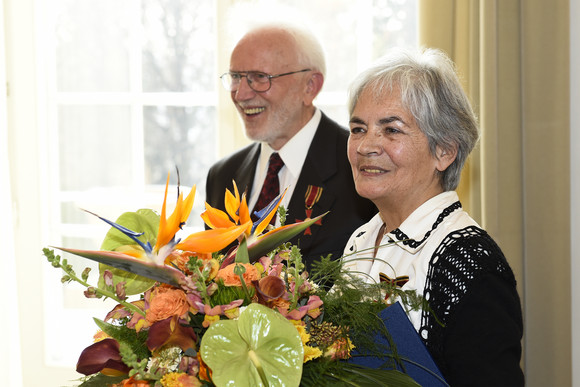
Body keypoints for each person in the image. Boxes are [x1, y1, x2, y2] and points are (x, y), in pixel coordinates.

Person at [342, 47, 524, 385]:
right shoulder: (360, 241)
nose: (366, 145)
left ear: (444, 151)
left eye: (391, 130)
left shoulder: (470, 262)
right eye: (358, 128)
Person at [205, 24, 376, 269]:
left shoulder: (362, 166)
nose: (240, 94)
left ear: (310, 86)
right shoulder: (222, 176)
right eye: (235, 78)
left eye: (259, 78)